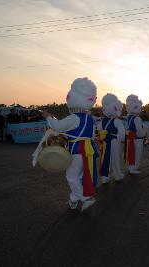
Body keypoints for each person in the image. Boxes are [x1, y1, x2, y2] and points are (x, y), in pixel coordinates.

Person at [42, 77, 98, 212]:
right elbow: (88, 135)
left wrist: (48, 117)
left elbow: (58, 126)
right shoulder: (90, 118)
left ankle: (86, 199)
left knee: (71, 176)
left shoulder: (74, 118)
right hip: (88, 149)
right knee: (78, 175)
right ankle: (73, 199)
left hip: (77, 149)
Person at [97, 93, 126, 184]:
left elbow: (98, 129)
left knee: (105, 158)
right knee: (116, 158)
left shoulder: (103, 121)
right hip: (115, 141)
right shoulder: (117, 121)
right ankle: (117, 175)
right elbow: (122, 133)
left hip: (105, 142)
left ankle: (105, 177)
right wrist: (121, 139)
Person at [125, 94, 145, 175]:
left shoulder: (129, 117)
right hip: (137, 138)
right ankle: (134, 168)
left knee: (131, 152)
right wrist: (144, 134)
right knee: (137, 154)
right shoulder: (137, 118)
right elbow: (139, 132)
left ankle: (131, 167)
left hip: (131, 138)